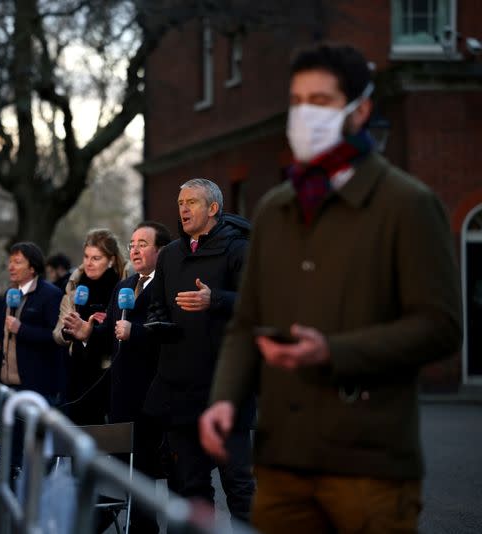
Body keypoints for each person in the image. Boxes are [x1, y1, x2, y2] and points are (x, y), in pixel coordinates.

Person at [199, 43, 462, 534]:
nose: (304, 115)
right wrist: (224, 398)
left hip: (371, 464)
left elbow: (441, 327)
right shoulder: (276, 209)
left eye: (319, 102)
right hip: (282, 460)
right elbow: (246, 321)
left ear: (360, 110)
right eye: (297, 101)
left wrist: (335, 352)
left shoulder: (408, 204)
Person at [145, 178, 255, 522]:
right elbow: (156, 305)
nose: (183, 209)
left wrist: (216, 299)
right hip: (178, 385)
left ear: (213, 209)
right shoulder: (171, 255)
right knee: (190, 486)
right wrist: (159, 323)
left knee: (237, 482)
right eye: (180, 203)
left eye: (191, 202)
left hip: (224, 386)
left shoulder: (239, 249)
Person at [66, 221, 172, 533]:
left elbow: (168, 335)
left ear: (160, 251)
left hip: (151, 396)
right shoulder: (124, 286)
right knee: (122, 474)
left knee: (144, 475)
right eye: (132, 244)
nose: (135, 250)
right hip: (119, 396)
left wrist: (136, 332)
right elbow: (109, 333)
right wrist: (88, 332)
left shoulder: (166, 285)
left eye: (143, 244)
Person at [53, 229, 127, 425]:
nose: (89, 263)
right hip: (77, 373)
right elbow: (57, 334)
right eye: (86, 257)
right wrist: (68, 330)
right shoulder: (73, 289)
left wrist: (95, 331)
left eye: (96, 258)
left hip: (108, 373)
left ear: (110, 260)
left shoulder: (124, 288)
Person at [0, 242, 64, 404]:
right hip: (6, 383)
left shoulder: (50, 295)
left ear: (32, 268)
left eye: (17, 262)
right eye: (10, 262)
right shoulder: (10, 294)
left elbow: (56, 336)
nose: (11, 267)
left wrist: (22, 329)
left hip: (37, 387)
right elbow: (0, 328)